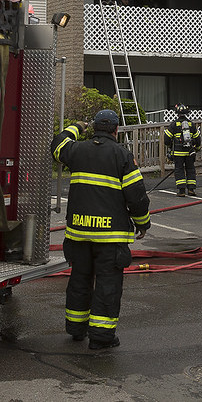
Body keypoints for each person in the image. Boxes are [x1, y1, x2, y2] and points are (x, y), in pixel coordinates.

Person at [51, 109, 151, 350]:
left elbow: (57, 144)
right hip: (109, 237)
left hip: (78, 234)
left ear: (95, 128)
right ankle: (102, 337)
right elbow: (136, 197)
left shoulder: (76, 150)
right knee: (107, 284)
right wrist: (142, 223)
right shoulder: (122, 155)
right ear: (116, 131)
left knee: (80, 280)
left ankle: (76, 329)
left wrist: (77, 126)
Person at [164, 104, 201, 196]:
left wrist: (169, 147)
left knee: (179, 170)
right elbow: (198, 139)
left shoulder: (174, 125)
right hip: (189, 152)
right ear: (187, 114)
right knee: (190, 169)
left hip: (178, 153)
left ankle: (181, 191)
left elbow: (166, 139)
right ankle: (191, 190)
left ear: (177, 114)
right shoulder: (191, 124)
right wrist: (197, 148)